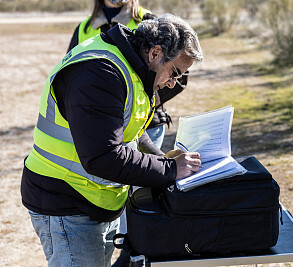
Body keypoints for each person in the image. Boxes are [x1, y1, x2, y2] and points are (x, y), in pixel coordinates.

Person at [21, 14, 203, 267]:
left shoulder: (134, 66)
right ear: (155, 53)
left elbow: (132, 131)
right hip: (65, 203)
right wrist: (170, 169)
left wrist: (164, 158)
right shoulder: (100, 72)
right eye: (175, 72)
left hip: (96, 202)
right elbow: (102, 156)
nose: (173, 82)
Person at [67, 0, 187, 150]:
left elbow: (178, 74)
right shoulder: (83, 29)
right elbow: (72, 76)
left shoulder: (148, 19)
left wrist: (142, 100)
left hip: (147, 125)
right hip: (103, 122)